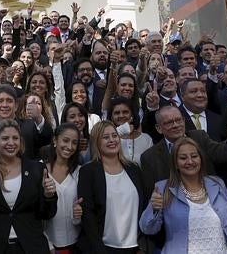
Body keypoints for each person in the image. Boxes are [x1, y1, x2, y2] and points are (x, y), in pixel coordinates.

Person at [0, 120, 58, 254]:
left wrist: (49, 196)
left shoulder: (36, 169)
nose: (11, 143)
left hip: (30, 247)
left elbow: (46, 214)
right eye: (5, 138)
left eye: (15, 138)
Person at [139, 137, 227, 253]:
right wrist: (154, 209)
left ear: (201, 159)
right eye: (183, 158)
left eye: (194, 156)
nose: (190, 161)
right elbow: (148, 229)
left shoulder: (217, 183)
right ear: (175, 164)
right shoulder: (163, 188)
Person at [77, 121, 145, 254]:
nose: (112, 140)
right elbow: (88, 215)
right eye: (105, 137)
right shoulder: (88, 171)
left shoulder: (134, 169)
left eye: (114, 135)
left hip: (135, 247)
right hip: (104, 248)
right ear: (96, 142)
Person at [45, 123, 83, 253]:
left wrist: (78, 215)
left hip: (76, 245)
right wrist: (48, 245)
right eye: (65, 140)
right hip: (48, 245)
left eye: (74, 143)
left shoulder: (80, 172)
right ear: (55, 140)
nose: (69, 147)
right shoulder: (41, 170)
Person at [109, 97, 153, 166]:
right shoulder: (108, 140)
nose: (121, 115)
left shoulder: (146, 139)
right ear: (111, 117)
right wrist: (120, 130)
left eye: (125, 112)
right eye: (117, 113)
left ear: (132, 114)